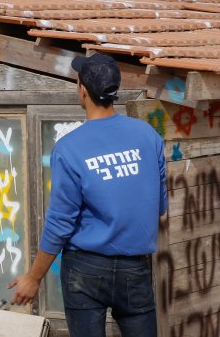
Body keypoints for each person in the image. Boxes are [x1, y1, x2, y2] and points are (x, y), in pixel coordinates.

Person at [9, 53, 168, 337]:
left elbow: (60, 222)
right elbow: (160, 209)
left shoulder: (69, 148)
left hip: (85, 268)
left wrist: (33, 278)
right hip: (135, 267)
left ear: (82, 88)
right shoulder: (148, 136)